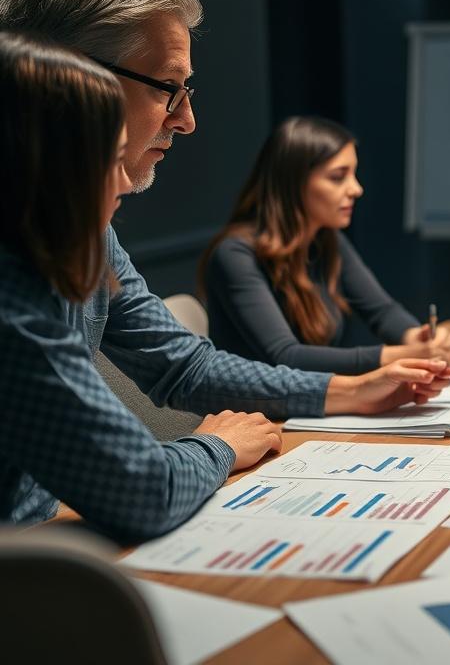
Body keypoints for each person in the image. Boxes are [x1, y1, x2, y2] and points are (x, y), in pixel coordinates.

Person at [0, 0, 450, 424]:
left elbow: (183, 365)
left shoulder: (91, 235)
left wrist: (352, 391)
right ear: (69, 80)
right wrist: (216, 448)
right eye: (167, 86)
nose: (187, 120)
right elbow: (127, 477)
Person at [0, 32, 286, 541]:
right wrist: (217, 444)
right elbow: (143, 492)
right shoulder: (13, 306)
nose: (121, 185)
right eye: (106, 163)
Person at [200, 116, 450, 375]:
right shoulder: (235, 255)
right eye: (338, 177)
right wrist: (399, 355)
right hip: (255, 412)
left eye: (354, 174)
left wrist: (414, 336)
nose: (356, 189)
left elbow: (382, 311)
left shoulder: (326, 239)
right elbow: (285, 355)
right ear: (293, 184)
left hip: (312, 403)